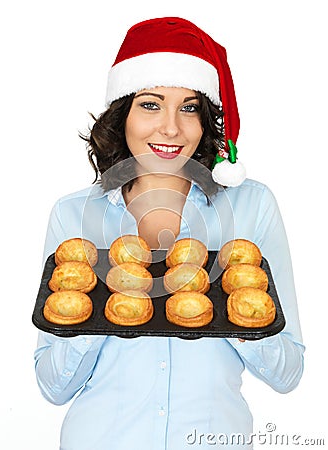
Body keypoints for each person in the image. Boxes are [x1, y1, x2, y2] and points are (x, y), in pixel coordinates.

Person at [34, 17, 305, 450]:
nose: (171, 128)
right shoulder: (74, 216)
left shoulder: (251, 207)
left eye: (190, 106)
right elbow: (52, 386)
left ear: (206, 119)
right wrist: (100, 305)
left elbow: (289, 372)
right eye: (150, 104)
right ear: (122, 113)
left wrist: (229, 311)